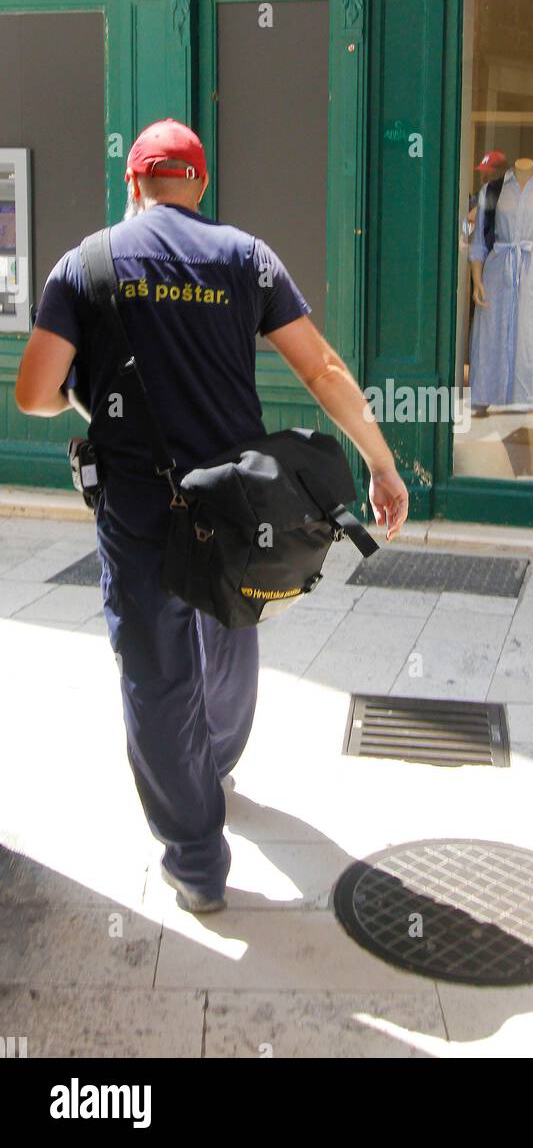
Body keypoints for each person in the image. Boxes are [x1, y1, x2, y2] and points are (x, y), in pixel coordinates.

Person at [15, 118, 409, 914]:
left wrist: (77, 392)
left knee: (157, 675)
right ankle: (219, 763)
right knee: (230, 624)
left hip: (138, 509)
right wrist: (380, 460)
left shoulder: (83, 264)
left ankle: (196, 860)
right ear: (198, 184)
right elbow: (324, 367)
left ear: (133, 184)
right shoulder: (245, 256)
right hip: (234, 507)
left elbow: (32, 392)